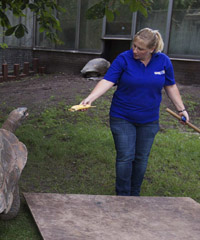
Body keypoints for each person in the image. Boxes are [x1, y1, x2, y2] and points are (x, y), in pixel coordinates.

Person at [80, 28, 190, 196]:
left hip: (149, 120)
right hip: (122, 116)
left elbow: (170, 85)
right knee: (125, 157)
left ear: (152, 49)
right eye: (134, 46)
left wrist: (181, 109)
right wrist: (90, 98)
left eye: (141, 48)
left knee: (141, 159)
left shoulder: (163, 62)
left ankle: (135, 194)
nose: (135, 51)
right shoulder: (124, 59)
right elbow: (108, 80)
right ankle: (123, 196)